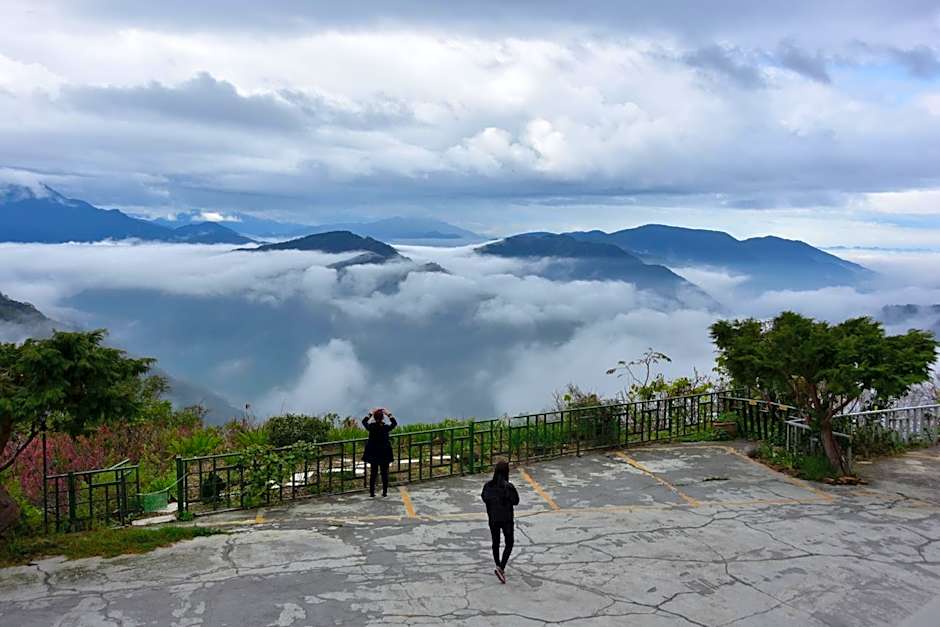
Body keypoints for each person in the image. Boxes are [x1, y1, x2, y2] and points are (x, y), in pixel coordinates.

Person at [481, 460, 520, 584]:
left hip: (493, 519)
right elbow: (516, 501)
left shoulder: (488, 486)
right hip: (507, 519)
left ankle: (497, 564)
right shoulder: (508, 487)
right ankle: (501, 567)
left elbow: (484, 498)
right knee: (509, 543)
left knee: (496, 542)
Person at [362, 407, 397, 497]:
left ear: (374, 417)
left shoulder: (371, 427)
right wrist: (389, 414)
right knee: (384, 473)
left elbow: (364, 422)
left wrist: (370, 413)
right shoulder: (385, 428)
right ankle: (384, 492)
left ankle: (372, 493)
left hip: (373, 453)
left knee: (373, 473)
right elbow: (394, 423)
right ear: (383, 418)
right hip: (384, 453)